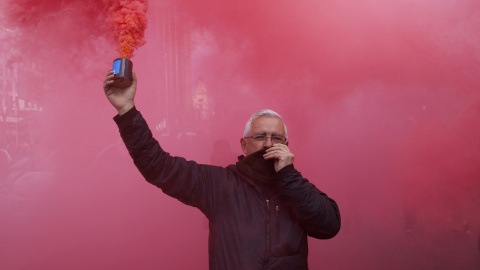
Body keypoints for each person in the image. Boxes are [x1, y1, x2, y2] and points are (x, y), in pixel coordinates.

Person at [103, 69, 341, 270]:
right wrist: (127, 110)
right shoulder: (219, 184)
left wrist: (289, 176)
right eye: (260, 137)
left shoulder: (296, 189)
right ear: (244, 144)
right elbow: (157, 165)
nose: (269, 144)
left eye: (276, 138)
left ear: (287, 146)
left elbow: (329, 226)